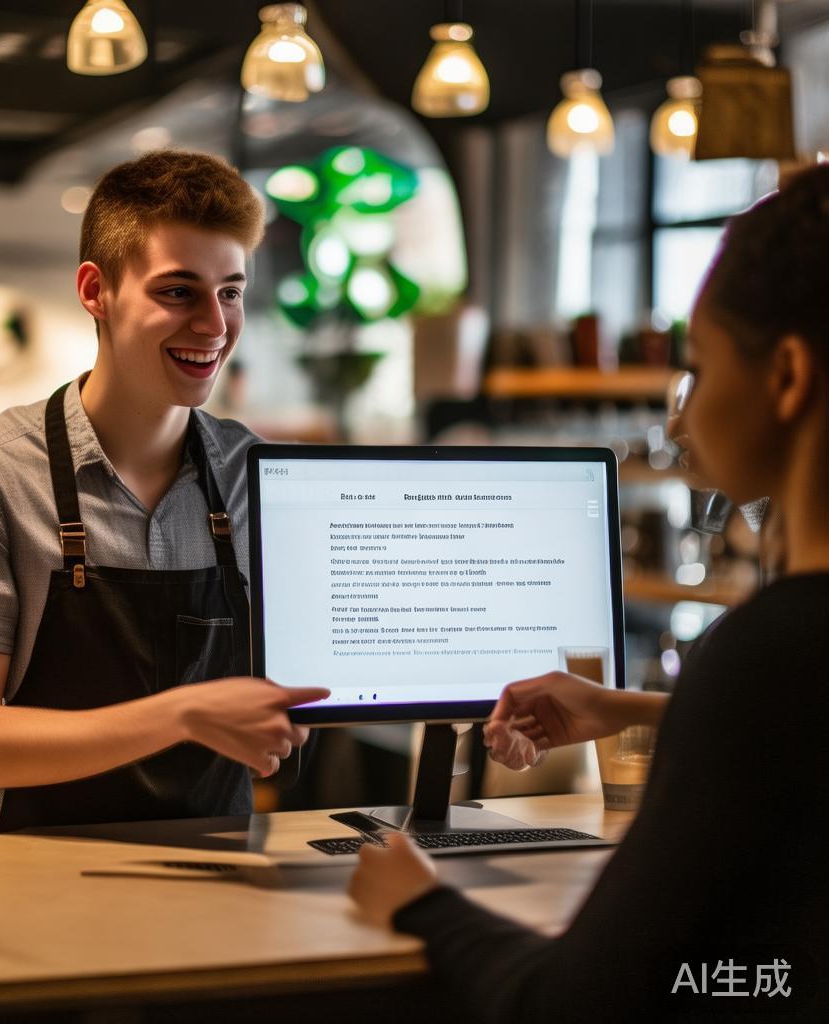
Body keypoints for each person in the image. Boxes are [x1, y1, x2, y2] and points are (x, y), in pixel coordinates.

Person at [349, 164, 829, 1021]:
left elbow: (578, 1002)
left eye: (701, 369)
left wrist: (417, 903)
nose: (679, 421)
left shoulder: (770, 650)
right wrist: (634, 708)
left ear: (788, 378)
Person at [0, 151, 328, 834]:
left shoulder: (265, 478)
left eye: (230, 291)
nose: (215, 327)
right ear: (95, 290)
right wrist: (185, 715)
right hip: (25, 870)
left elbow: (327, 677)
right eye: (178, 291)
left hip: (219, 866)